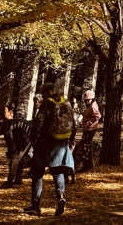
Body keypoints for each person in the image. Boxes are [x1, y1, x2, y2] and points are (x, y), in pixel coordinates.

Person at [24, 79, 76, 217]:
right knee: (58, 172)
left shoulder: (47, 103)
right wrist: (71, 140)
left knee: (37, 173)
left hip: (45, 143)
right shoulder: (66, 102)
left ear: (47, 92)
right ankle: (61, 198)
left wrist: (33, 139)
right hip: (62, 142)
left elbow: (39, 122)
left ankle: (35, 205)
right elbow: (74, 123)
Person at [76, 89, 101, 173]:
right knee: (87, 146)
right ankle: (89, 164)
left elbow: (98, 116)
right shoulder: (90, 106)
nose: (86, 102)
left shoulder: (93, 106)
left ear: (92, 99)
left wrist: (89, 123)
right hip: (87, 129)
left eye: (88, 100)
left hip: (91, 129)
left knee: (86, 147)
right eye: (85, 100)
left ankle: (86, 166)